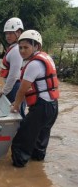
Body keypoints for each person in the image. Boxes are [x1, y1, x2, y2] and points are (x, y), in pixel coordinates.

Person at [10, 30, 59, 167]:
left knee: (21, 141)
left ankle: (17, 172)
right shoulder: (46, 58)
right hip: (53, 106)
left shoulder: (33, 64)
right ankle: (37, 167)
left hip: (41, 107)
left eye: (26, 47)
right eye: (20, 47)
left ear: (36, 46)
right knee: (40, 139)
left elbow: (22, 89)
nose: (22, 51)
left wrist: (15, 106)